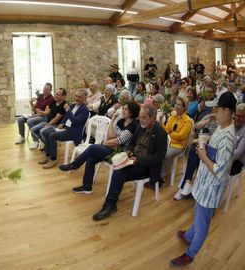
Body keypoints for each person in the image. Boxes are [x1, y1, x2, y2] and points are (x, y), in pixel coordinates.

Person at [170, 92, 237, 267]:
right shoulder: (222, 126)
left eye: (218, 109)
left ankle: (190, 254)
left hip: (212, 187)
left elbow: (220, 171)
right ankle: (189, 236)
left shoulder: (229, 138)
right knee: (198, 213)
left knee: (202, 222)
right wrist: (205, 145)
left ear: (228, 111)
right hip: (204, 182)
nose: (215, 112)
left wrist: (202, 154)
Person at [92, 104, 167, 221]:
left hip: (147, 167)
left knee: (120, 170)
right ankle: (110, 203)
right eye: (140, 117)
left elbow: (158, 158)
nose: (140, 120)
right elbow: (132, 143)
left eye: (144, 117)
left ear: (153, 118)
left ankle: (110, 204)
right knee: (119, 167)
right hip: (133, 160)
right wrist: (129, 152)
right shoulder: (141, 127)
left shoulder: (161, 133)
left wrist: (139, 159)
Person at [60, 101, 140, 194]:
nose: (123, 111)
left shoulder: (133, 125)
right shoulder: (121, 121)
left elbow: (118, 141)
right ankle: (87, 187)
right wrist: (113, 118)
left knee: (93, 148)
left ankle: (74, 165)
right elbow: (110, 136)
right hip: (112, 148)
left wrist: (104, 143)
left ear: (132, 112)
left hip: (120, 154)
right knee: (91, 159)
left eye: (126, 109)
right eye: (123, 108)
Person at [38, 89, 89, 169]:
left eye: (79, 97)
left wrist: (68, 110)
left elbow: (75, 121)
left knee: (52, 135)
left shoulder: (84, 110)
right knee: (46, 132)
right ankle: (47, 156)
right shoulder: (73, 105)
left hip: (73, 132)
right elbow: (65, 117)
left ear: (85, 98)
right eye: (76, 96)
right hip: (65, 128)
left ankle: (53, 159)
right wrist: (62, 123)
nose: (77, 98)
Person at [159, 96, 192, 185]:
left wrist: (169, 134)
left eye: (179, 105)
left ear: (184, 107)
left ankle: (162, 177)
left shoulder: (187, 121)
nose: (176, 106)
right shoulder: (172, 116)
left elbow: (181, 136)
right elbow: (166, 129)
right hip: (169, 142)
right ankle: (155, 173)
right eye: (176, 104)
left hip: (179, 145)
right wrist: (169, 133)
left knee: (166, 155)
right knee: (157, 150)